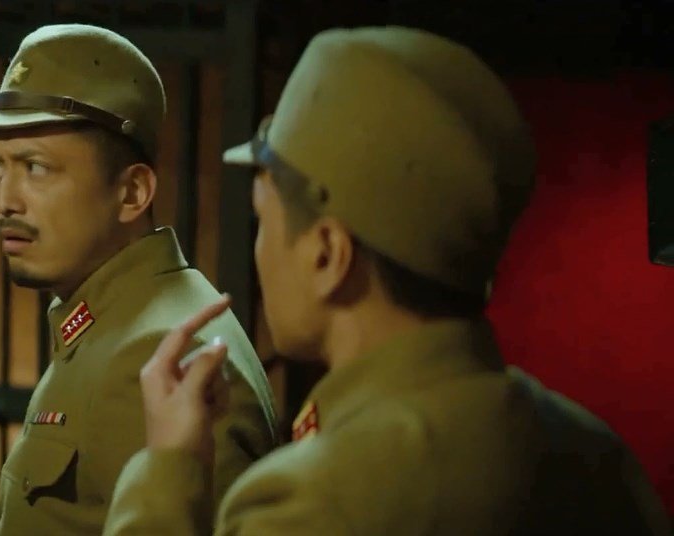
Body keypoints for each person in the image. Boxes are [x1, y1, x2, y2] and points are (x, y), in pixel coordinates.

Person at [104, 26, 672, 535]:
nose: (260, 249)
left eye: (263, 221)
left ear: (327, 255)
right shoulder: (597, 458)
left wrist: (169, 468)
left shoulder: (313, 502)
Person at [0, 23, 279, 535]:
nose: (5, 200)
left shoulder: (159, 354)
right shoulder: (108, 320)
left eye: (36, 168)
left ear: (132, 193)